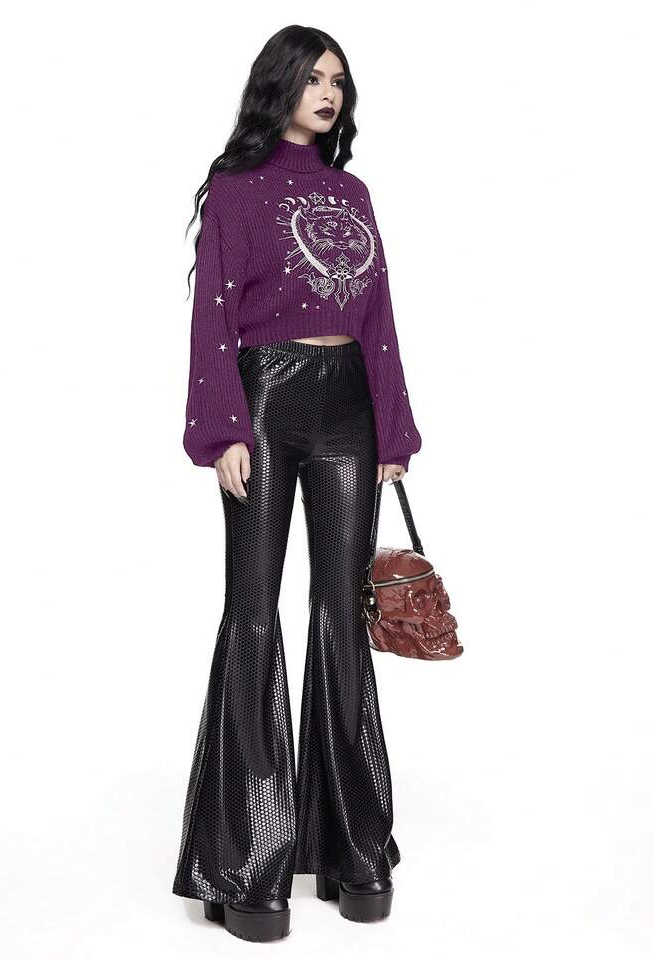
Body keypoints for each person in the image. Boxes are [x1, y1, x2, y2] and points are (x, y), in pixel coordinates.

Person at [171, 25, 423, 942]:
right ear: (280, 85)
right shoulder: (236, 190)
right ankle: (248, 858)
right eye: (314, 78)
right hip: (267, 397)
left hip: (350, 401)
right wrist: (223, 429)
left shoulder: (352, 193)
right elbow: (212, 316)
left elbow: (380, 316)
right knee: (253, 612)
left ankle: (355, 847)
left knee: (340, 617)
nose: (329, 93)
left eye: (338, 81)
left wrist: (393, 428)